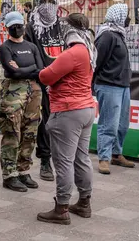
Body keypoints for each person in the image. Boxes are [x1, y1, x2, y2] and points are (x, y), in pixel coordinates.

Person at [37, 13, 95, 225]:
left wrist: (44, 70)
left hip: (68, 111)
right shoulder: (88, 48)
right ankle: (84, 202)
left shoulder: (73, 52)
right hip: (86, 108)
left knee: (63, 162)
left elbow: (46, 76)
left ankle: (61, 208)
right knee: (82, 158)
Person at [0, 12, 43, 192]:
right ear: (7, 28)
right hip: (13, 92)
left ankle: (23, 170)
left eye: (19, 25)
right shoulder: (5, 47)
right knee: (12, 131)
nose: (17, 29)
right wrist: (30, 69)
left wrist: (24, 69)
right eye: (13, 26)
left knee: (30, 131)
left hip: (34, 91)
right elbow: (12, 72)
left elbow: (40, 69)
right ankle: (9, 174)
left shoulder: (31, 46)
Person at [25, 0, 63, 181]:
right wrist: (45, 76)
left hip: (61, 81)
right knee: (45, 121)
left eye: (51, 1)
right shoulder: (32, 26)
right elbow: (32, 52)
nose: (47, 5)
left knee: (63, 121)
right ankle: (45, 160)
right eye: (44, 0)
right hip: (42, 81)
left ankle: (62, 160)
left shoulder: (61, 25)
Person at [94, 4, 135, 174]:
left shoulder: (119, 34)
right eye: (126, 15)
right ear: (117, 16)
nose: (128, 19)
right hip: (109, 85)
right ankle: (104, 158)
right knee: (108, 124)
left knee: (122, 124)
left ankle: (116, 154)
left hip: (123, 85)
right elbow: (97, 61)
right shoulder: (107, 36)